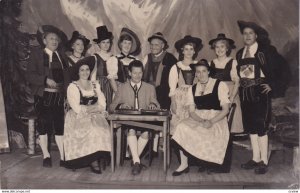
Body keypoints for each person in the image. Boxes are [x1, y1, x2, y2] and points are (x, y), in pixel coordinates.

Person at [236, 20, 290, 174]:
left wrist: (272, 85)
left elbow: (284, 70)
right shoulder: (240, 53)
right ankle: (255, 158)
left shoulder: (265, 51)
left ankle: (264, 162)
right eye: (245, 33)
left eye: (250, 33)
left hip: (260, 93)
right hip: (245, 93)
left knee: (261, 127)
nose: (247, 36)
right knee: (251, 127)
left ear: (256, 35)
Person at [172, 60, 230, 176]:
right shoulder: (192, 89)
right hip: (198, 117)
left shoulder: (220, 85)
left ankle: (206, 162)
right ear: (195, 74)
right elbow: (192, 111)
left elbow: (226, 110)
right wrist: (201, 120)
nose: (201, 74)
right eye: (198, 72)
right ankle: (184, 164)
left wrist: (211, 121)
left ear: (208, 72)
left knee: (208, 131)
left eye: (204, 71)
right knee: (181, 126)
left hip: (216, 118)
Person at [26, 25, 68, 167]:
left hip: (59, 97)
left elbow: (67, 77)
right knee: (44, 126)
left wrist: (67, 94)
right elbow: (29, 75)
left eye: (56, 39)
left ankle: (63, 157)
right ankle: (46, 156)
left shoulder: (62, 56)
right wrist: (45, 80)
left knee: (59, 126)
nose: (54, 41)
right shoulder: (36, 54)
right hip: (42, 96)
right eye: (51, 38)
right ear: (44, 40)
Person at [110, 60, 160, 175]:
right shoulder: (122, 88)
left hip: (145, 120)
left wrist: (153, 105)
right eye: (135, 73)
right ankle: (137, 162)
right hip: (128, 121)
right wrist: (121, 105)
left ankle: (134, 159)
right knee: (131, 130)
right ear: (129, 73)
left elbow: (157, 104)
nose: (137, 76)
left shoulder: (150, 88)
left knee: (146, 133)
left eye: (140, 73)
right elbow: (111, 107)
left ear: (143, 73)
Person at [63, 57, 111, 174]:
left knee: (102, 129)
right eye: (82, 70)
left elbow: (102, 104)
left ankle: (100, 155)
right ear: (78, 72)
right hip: (78, 117)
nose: (85, 72)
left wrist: (97, 108)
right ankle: (92, 160)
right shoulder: (73, 87)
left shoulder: (95, 85)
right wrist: (94, 108)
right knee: (91, 129)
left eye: (87, 70)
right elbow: (77, 108)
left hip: (95, 114)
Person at [142, 32, 177, 155]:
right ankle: (151, 148)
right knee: (149, 120)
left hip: (164, 94)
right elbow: (141, 76)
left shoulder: (171, 58)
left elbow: (174, 80)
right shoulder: (147, 58)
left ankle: (159, 147)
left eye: (156, 45)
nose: (153, 47)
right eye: (151, 45)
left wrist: (172, 97)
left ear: (163, 45)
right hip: (148, 94)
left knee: (160, 120)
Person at [208, 33, 243, 133]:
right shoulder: (211, 63)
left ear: (227, 48)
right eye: (217, 47)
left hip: (229, 93)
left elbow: (237, 82)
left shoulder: (233, 62)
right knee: (215, 127)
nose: (220, 49)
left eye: (222, 46)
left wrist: (232, 97)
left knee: (228, 125)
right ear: (214, 49)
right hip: (216, 95)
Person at [168, 35, 202, 134]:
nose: (189, 52)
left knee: (194, 125)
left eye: (191, 49)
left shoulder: (198, 65)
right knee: (179, 125)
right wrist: (173, 103)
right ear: (182, 51)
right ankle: (179, 148)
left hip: (195, 98)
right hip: (180, 100)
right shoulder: (176, 67)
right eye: (186, 49)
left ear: (194, 51)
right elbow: (172, 88)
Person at [106, 27, 141, 93]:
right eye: (125, 43)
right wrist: (118, 94)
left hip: (133, 91)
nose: (127, 46)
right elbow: (112, 79)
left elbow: (139, 78)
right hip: (120, 91)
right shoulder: (114, 60)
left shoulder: (135, 60)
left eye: (129, 43)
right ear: (121, 44)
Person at [87, 25, 114, 109]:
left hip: (111, 85)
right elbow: (93, 77)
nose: (106, 45)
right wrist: (95, 90)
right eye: (103, 42)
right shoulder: (95, 57)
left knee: (110, 107)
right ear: (99, 44)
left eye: (108, 42)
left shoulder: (112, 57)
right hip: (100, 85)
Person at [64, 31, 90, 111]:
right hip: (72, 93)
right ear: (72, 46)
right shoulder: (67, 60)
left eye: (82, 44)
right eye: (78, 44)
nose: (80, 46)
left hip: (85, 93)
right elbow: (66, 80)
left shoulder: (87, 60)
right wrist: (68, 96)